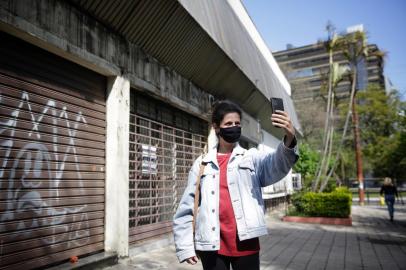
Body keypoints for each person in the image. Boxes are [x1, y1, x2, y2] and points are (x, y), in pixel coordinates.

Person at [173, 100, 299, 270]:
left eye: (237, 123)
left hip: (246, 243)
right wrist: (185, 247)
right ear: (217, 127)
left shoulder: (251, 157)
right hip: (212, 245)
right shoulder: (202, 164)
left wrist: (290, 137)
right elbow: (187, 207)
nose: (234, 127)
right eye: (229, 123)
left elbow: (276, 164)